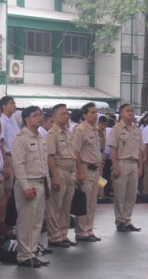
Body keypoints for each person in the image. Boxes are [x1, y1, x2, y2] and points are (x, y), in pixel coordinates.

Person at [11, 106, 50, 267]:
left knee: (37, 222)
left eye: (41, 115)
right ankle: (24, 254)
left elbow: (44, 164)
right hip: (29, 184)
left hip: (41, 183)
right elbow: (18, 166)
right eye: (36, 115)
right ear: (27, 119)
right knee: (26, 222)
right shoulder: (21, 139)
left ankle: (32, 252)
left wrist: (47, 185)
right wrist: (25, 187)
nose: (40, 118)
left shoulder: (41, 137)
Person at [45, 104, 77, 247]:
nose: (66, 116)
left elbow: (72, 154)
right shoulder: (52, 134)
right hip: (59, 171)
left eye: (67, 113)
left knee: (66, 206)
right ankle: (54, 236)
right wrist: (55, 176)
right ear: (54, 116)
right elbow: (50, 157)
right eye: (63, 114)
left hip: (70, 173)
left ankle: (63, 234)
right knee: (55, 206)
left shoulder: (67, 132)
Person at [109, 103, 143, 232]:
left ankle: (128, 220)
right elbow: (113, 148)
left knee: (131, 194)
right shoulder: (117, 129)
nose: (131, 113)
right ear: (121, 113)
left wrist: (140, 166)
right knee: (120, 195)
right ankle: (120, 221)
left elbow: (140, 149)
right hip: (121, 162)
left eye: (132, 111)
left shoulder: (136, 129)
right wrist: (115, 166)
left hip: (134, 163)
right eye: (128, 111)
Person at [72, 102, 102, 242]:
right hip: (85, 168)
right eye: (92, 112)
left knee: (92, 202)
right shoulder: (81, 130)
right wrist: (79, 172)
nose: (95, 115)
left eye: (96, 113)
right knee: (84, 201)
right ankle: (81, 231)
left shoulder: (95, 130)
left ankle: (89, 229)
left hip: (95, 169)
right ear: (84, 115)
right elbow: (76, 153)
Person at [0, 96, 16, 236]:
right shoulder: (2, 121)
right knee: (5, 193)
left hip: (13, 156)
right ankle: (0, 222)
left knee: (9, 193)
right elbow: (1, 144)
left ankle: (5, 221)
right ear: (3, 106)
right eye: (11, 103)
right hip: (7, 157)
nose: (14, 105)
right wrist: (6, 163)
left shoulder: (11, 120)